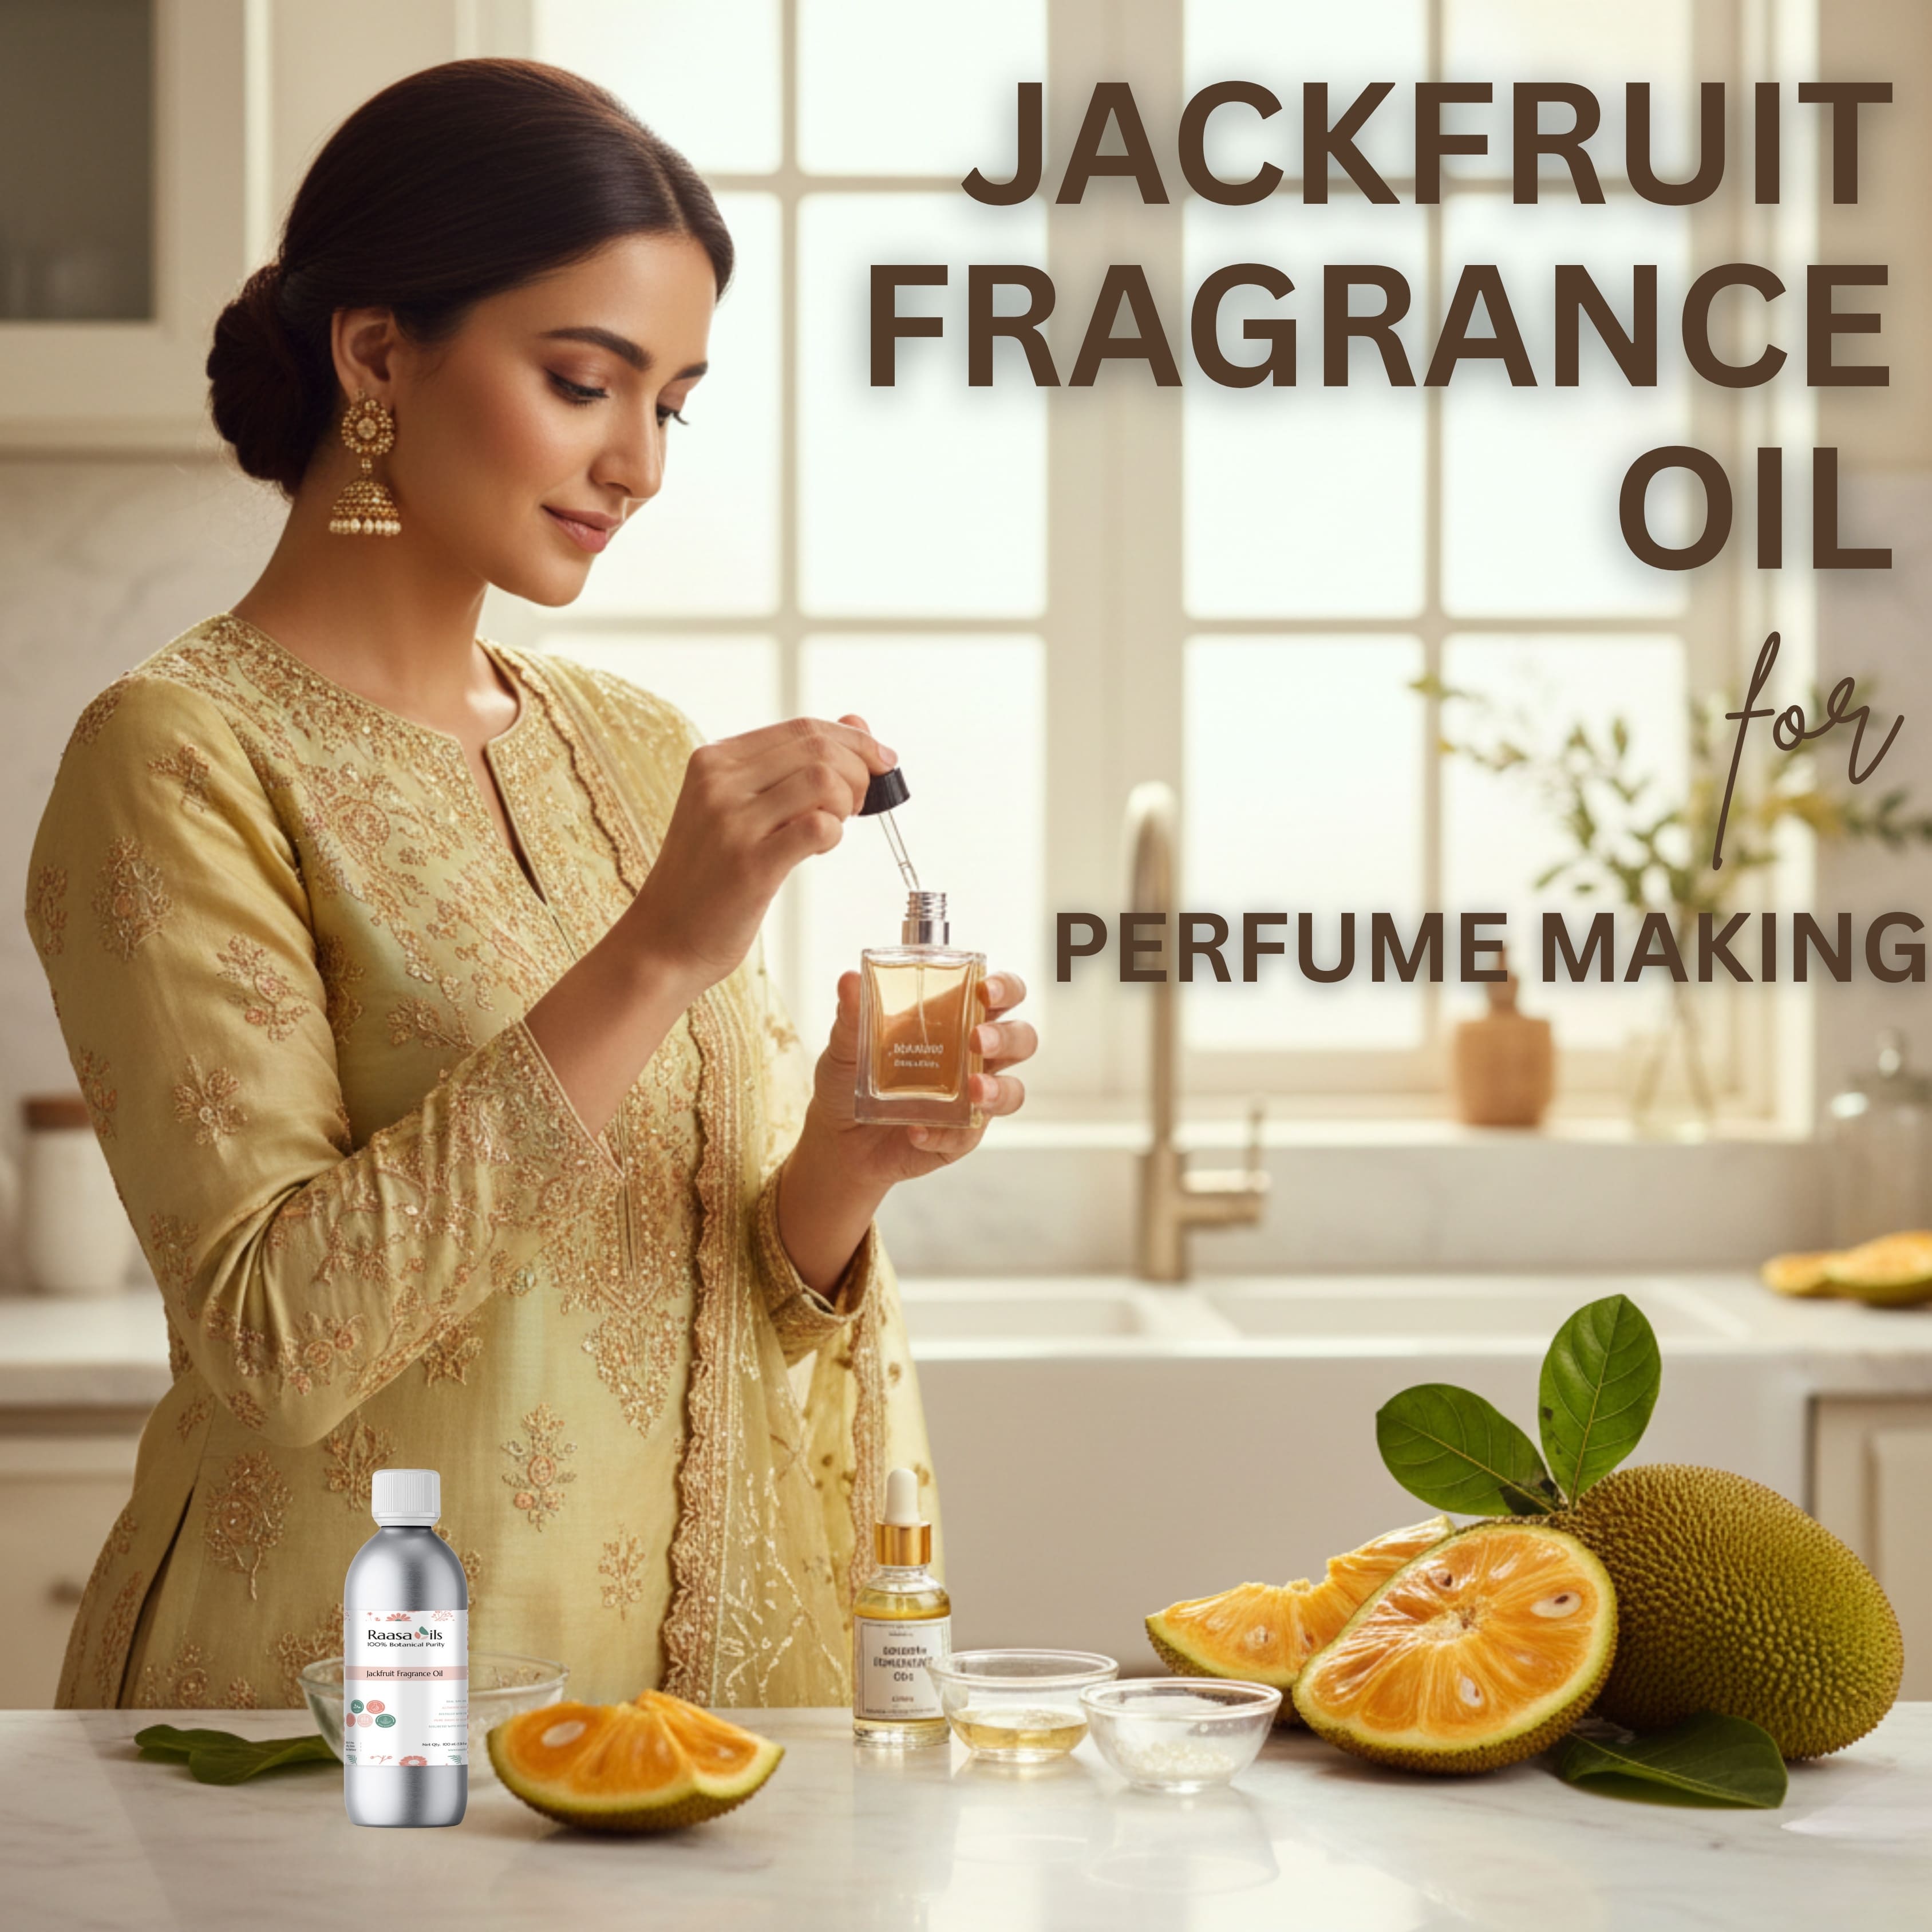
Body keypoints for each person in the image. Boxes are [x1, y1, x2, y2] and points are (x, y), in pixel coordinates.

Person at [24, 58, 1034, 1712]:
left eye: (674, 403)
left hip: (679, 1733)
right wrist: (653, 955)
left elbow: (693, 1295)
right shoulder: (179, 755)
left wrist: (843, 1168)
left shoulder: (642, 753)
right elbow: (276, 1340)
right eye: (585, 380)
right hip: (331, 1726)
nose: (638, 460)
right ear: (375, 355)